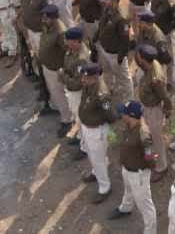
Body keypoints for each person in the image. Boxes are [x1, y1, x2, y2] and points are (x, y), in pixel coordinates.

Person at [109, 101, 157, 233]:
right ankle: (126, 208)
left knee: (145, 205)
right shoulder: (130, 125)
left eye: (123, 112)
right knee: (128, 190)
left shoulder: (143, 134)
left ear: (130, 115)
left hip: (138, 174)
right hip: (128, 168)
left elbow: (149, 157)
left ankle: (151, 231)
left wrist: (145, 171)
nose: (121, 114)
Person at [76, 62, 115, 203]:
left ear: (94, 77)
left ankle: (105, 187)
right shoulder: (89, 86)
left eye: (85, 77)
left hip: (97, 131)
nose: (82, 80)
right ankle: (95, 172)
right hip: (88, 127)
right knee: (91, 154)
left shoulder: (101, 94)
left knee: (98, 160)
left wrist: (106, 130)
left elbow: (110, 115)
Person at [133, 43, 171, 180]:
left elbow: (165, 97)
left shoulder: (155, 78)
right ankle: (150, 158)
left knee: (157, 139)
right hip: (146, 107)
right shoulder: (148, 65)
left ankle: (162, 167)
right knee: (147, 135)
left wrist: (167, 111)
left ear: (143, 58)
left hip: (154, 110)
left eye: (139, 56)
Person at [37, 4, 72, 135]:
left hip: (56, 68)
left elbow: (68, 52)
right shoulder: (48, 26)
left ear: (52, 18)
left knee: (59, 93)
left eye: (45, 17)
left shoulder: (60, 32)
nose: (43, 19)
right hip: (47, 66)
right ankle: (55, 107)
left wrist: (64, 69)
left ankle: (67, 120)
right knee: (53, 91)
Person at [95, 0, 133, 103]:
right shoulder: (107, 10)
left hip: (115, 54)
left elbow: (125, 40)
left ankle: (129, 102)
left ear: (115, 0)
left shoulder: (121, 18)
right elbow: (101, 26)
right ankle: (110, 91)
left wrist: (121, 56)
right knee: (107, 73)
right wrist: (95, 38)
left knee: (124, 80)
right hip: (104, 50)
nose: (104, 1)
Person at [61, 26, 90, 144]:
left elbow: (77, 84)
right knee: (75, 115)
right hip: (71, 90)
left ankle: (84, 145)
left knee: (80, 117)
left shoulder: (81, 58)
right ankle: (79, 137)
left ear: (75, 41)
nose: (66, 42)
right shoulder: (72, 50)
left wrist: (63, 76)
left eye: (68, 40)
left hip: (78, 92)